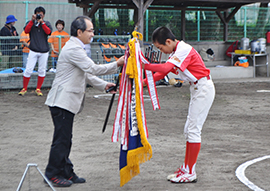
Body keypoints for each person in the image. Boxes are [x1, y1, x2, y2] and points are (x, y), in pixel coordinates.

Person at [44, 16, 124, 187]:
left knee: (66, 139)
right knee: (62, 140)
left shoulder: (76, 47)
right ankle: (52, 174)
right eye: (90, 30)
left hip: (64, 101)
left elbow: (86, 74)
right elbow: (92, 68)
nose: (92, 34)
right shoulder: (74, 49)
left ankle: (66, 171)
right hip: (62, 101)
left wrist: (104, 86)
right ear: (79, 32)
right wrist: (117, 63)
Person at [143, 26, 215, 183]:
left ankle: (190, 172)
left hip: (203, 88)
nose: (162, 51)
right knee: (189, 130)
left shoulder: (183, 49)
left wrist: (143, 65)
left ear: (168, 41)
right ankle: (186, 168)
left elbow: (164, 68)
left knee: (193, 130)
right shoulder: (176, 51)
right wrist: (140, 82)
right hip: (198, 88)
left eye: (161, 47)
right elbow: (161, 73)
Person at [18, 6, 52, 96]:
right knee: (28, 69)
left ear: (44, 15)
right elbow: (26, 30)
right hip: (33, 49)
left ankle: (38, 88)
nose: (39, 16)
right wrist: (32, 20)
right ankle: (24, 88)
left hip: (44, 51)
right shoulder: (31, 23)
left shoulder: (47, 23)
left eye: (41, 14)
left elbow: (48, 32)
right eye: (38, 14)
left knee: (42, 70)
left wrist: (42, 23)